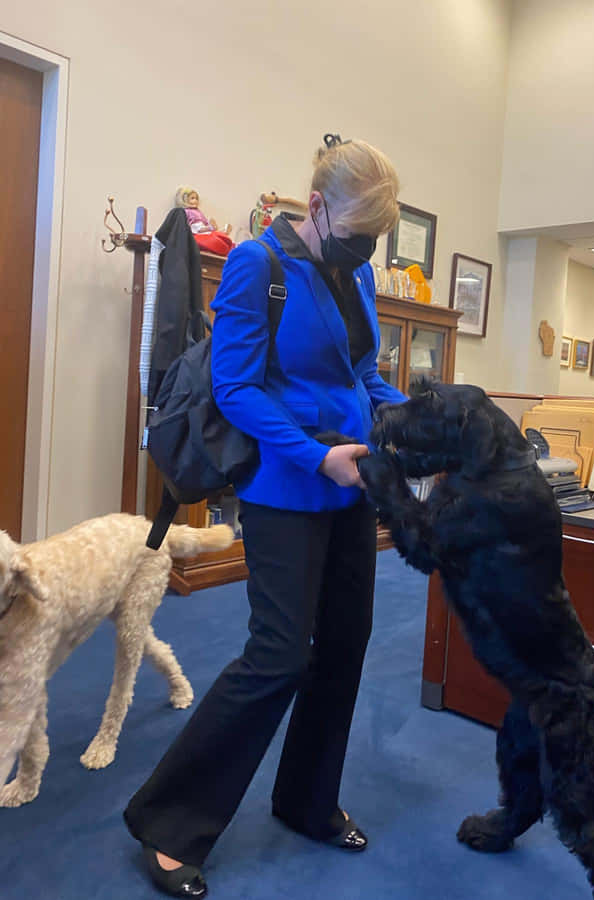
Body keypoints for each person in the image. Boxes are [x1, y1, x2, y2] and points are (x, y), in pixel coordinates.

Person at [124, 134, 405, 898]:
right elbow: (239, 388)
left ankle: (306, 801)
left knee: (344, 645)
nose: (364, 250)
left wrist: (416, 419)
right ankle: (167, 822)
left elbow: (362, 372)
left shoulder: (360, 273)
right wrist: (318, 456)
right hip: (287, 488)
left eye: (375, 240)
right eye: (356, 234)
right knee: (278, 655)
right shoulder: (259, 264)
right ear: (316, 207)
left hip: (353, 487)